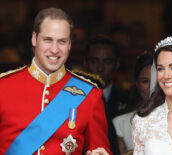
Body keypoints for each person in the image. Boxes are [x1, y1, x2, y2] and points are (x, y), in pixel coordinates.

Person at [0, 8, 110, 155]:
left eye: (62, 41)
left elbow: (100, 150)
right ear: (34, 39)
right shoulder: (3, 87)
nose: (54, 49)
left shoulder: (90, 95)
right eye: (48, 40)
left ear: (70, 44)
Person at [84, 35, 128, 154]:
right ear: (85, 62)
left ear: (117, 64)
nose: (100, 68)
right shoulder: (75, 99)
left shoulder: (128, 100)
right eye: (94, 61)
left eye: (107, 62)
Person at [112, 52, 153, 154]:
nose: (152, 88)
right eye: (145, 81)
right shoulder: (120, 123)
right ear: (137, 84)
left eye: (157, 81)